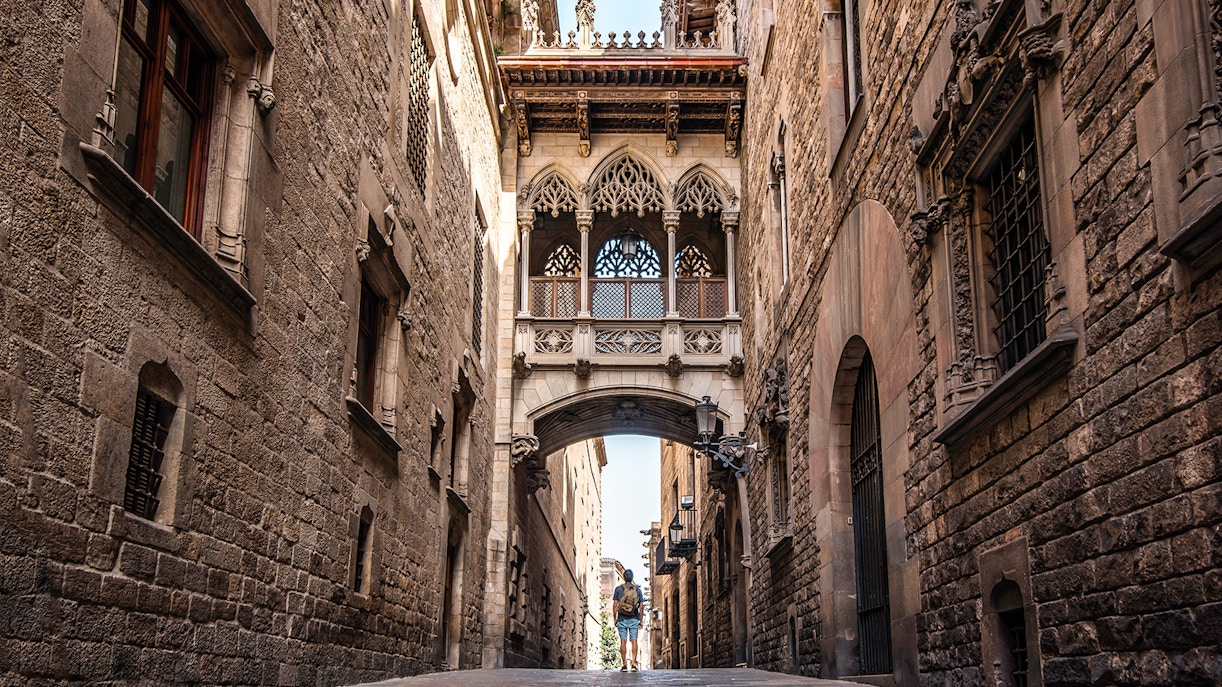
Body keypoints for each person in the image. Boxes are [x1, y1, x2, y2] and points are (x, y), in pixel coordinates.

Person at [612, 569, 645, 671]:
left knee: (623, 641)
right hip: (634, 618)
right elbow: (641, 606)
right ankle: (634, 663)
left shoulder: (618, 589)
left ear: (624, 577)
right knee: (634, 640)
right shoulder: (637, 590)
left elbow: (615, 605)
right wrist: (641, 619)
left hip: (622, 618)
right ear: (632, 578)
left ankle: (624, 664)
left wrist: (615, 618)